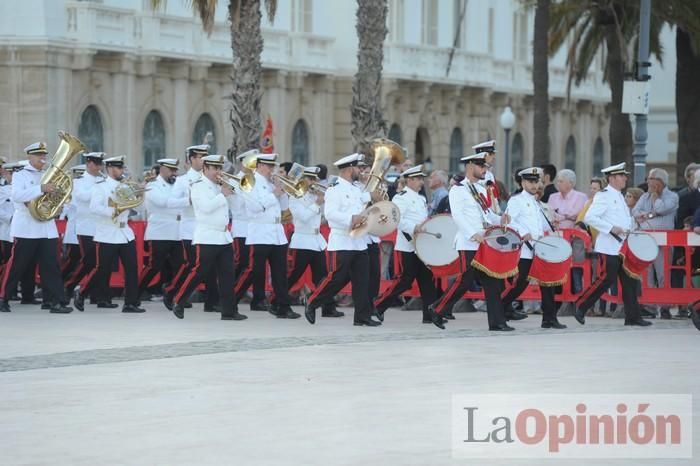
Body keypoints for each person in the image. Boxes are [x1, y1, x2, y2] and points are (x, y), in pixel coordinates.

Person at [428, 153, 513, 331]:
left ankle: (497, 322)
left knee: (493, 282)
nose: (485, 170)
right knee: (465, 281)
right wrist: (473, 233)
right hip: (468, 243)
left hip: (484, 242)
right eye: (481, 167)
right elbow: (457, 215)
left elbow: (487, 214)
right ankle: (437, 309)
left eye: (486, 167)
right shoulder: (458, 190)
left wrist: (500, 220)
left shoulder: (480, 190)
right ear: (470, 166)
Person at [304, 152, 382, 326]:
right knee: (336, 278)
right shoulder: (334, 189)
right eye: (357, 168)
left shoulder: (355, 189)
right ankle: (312, 302)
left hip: (359, 241)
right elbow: (330, 214)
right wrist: (351, 218)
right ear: (348, 170)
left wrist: (373, 197)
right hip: (342, 241)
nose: (360, 171)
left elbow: (363, 200)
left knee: (362, 280)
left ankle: (362, 316)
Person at [574, 162, 652, 327]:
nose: (625, 179)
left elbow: (621, 220)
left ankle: (633, 316)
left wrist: (635, 220)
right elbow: (589, 218)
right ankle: (581, 305)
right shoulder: (604, 195)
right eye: (622, 176)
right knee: (606, 279)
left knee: (629, 280)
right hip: (609, 247)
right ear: (613, 178)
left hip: (622, 247)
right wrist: (610, 228)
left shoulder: (619, 195)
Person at [172, 154, 246, 321]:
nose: (218, 172)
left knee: (227, 275)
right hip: (207, 236)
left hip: (224, 236)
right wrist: (222, 194)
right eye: (214, 168)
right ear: (205, 168)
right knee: (199, 272)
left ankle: (229, 311)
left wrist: (234, 193)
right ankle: (178, 300)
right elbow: (205, 208)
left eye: (220, 168)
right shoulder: (198, 186)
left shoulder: (220, 186)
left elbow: (237, 207)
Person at [0, 142, 72, 313]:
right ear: (29, 157)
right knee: (17, 265)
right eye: (39, 155)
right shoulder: (21, 175)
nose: (43, 158)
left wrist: (58, 205)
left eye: (44, 155)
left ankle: (57, 301)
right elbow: (17, 195)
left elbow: (58, 197)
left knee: (51, 266)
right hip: (26, 227)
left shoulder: (48, 174)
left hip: (46, 227)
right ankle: (3, 298)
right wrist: (41, 188)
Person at [73, 156, 145, 313]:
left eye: (122, 168)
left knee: (132, 268)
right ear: (111, 169)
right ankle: (82, 292)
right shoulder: (101, 186)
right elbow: (94, 207)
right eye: (119, 168)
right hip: (107, 232)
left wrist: (139, 195)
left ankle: (130, 303)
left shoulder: (126, 186)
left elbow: (136, 207)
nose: (122, 171)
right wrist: (114, 211)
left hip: (125, 232)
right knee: (102, 268)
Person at [235, 153, 299, 318]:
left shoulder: (271, 184)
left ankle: (282, 307)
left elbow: (284, 207)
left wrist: (283, 191)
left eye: (273, 167)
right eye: (270, 167)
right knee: (253, 271)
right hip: (260, 233)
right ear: (261, 166)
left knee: (280, 273)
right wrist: (275, 194)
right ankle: (230, 300)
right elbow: (255, 207)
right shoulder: (250, 182)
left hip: (276, 233)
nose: (273, 170)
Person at [501, 168, 566, 329]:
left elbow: (539, 224)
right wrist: (524, 233)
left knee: (548, 282)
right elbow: (507, 221)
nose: (534, 185)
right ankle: (500, 307)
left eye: (536, 181)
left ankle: (549, 318)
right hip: (524, 249)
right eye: (530, 181)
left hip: (539, 248)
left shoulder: (535, 202)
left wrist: (551, 224)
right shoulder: (516, 201)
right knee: (520, 284)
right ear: (522, 182)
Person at [373, 165, 437, 323]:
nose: (422, 182)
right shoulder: (401, 197)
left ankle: (429, 315)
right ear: (410, 180)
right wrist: (414, 228)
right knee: (404, 281)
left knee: (426, 280)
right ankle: (378, 306)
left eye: (422, 179)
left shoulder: (421, 198)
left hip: (422, 246)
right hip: (407, 247)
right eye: (419, 179)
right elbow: (397, 219)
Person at [163, 144, 219, 311]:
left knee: (210, 266)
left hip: (209, 227)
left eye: (205, 157)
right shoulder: (182, 180)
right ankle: (171, 291)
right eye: (200, 157)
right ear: (192, 159)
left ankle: (211, 302)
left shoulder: (212, 179)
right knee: (193, 266)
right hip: (191, 228)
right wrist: (189, 200)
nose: (203, 160)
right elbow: (170, 203)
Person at [287, 166, 343, 318]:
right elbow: (303, 217)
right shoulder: (294, 197)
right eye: (310, 179)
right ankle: (278, 302)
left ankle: (327, 307)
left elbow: (325, 215)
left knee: (323, 277)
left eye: (315, 179)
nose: (313, 182)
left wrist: (323, 201)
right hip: (302, 241)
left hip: (316, 241)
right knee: (293, 275)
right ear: (302, 180)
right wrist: (318, 203)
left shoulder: (315, 196)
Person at [64, 152, 114, 306]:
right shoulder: (79, 181)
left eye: (101, 164)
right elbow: (83, 197)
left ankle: (102, 297)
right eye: (98, 164)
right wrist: (100, 189)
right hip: (86, 227)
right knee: (89, 262)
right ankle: (69, 287)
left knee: (104, 263)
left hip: (102, 227)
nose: (100, 167)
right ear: (90, 164)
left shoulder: (103, 180)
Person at [631, 168, 678, 319]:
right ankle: (650, 307)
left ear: (660, 181)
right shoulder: (644, 196)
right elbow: (635, 212)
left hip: (663, 242)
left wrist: (655, 200)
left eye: (651, 179)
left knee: (663, 274)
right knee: (647, 273)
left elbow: (662, 209)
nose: (648, 182)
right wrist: (650, 214)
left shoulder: (672, 196)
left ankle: (665, 306)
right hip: (646, 241)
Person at [137, 158, 185, 301]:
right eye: (171, 170)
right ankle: (135, 291)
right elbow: (164, 202)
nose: (174, 173)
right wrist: (188, 200)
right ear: (163, 169)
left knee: (180, 265)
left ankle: (174, 295)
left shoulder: (176, 184)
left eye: (176, 170)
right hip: (160, 231)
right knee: (154, 266)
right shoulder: (153, 185)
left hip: (176, 232)